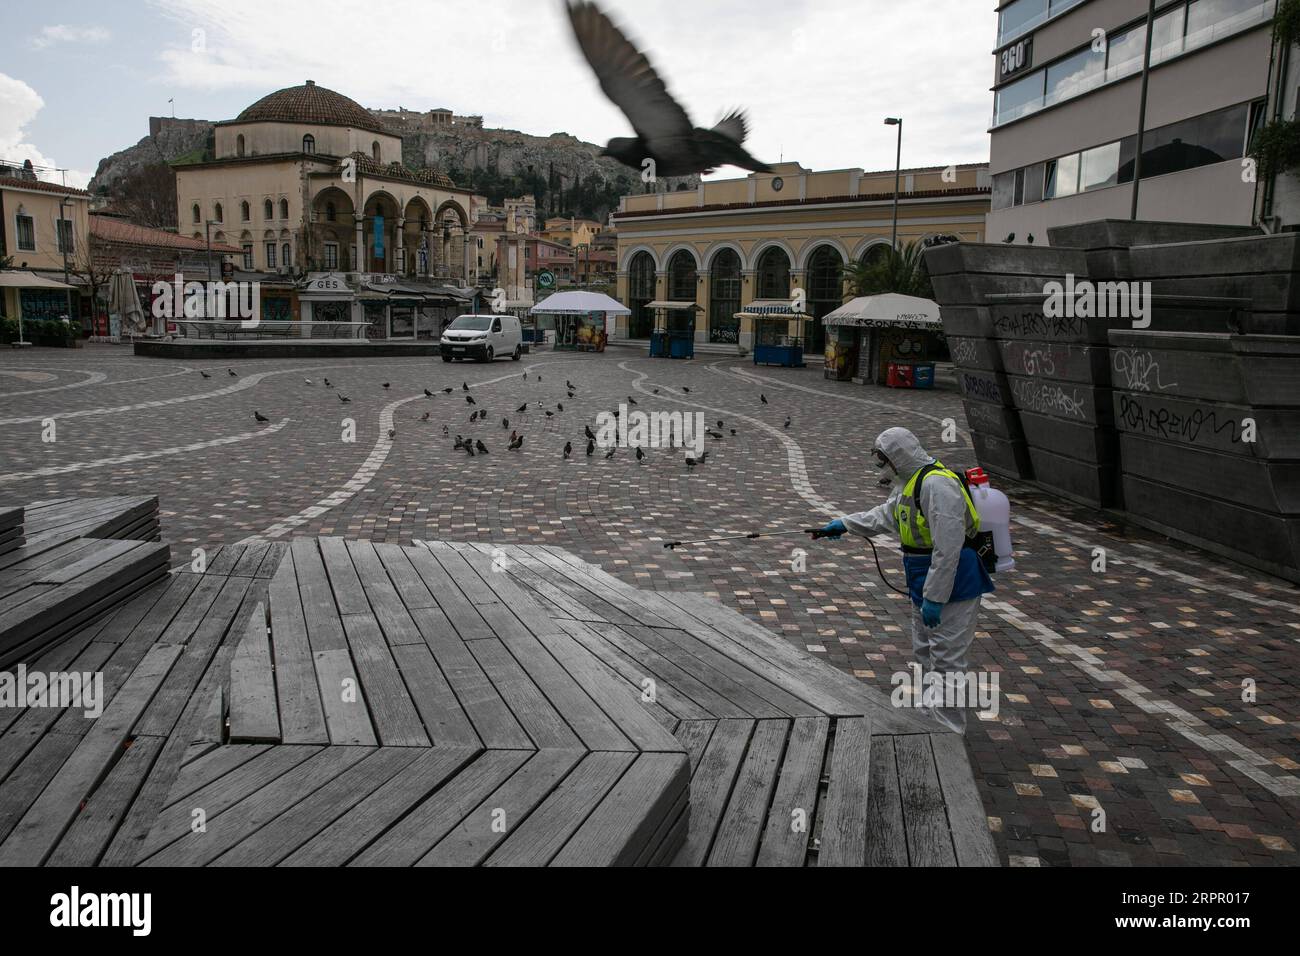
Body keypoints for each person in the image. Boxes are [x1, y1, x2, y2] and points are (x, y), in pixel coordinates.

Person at [816, 427, 993, 733]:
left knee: (947, 660)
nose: (882, 469)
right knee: (925, 653)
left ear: (897, 458)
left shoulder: (938, 485)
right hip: (922, 579)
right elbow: (886, 515)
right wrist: (844, 525)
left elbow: (948, 548)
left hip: (954, 582)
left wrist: (935, 598)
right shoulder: (909, 483)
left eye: (884, 461)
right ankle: (928, 719)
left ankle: (949, 732)